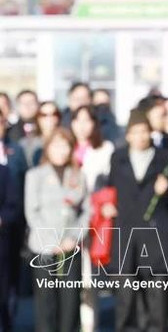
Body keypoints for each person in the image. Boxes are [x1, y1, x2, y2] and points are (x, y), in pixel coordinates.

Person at [107, 111, 168, 332]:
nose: (140, 136)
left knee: (158, 299)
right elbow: (111, 188)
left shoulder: (166, 158)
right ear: (127, 135)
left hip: (156, 234)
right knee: (126, 299)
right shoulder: (118, 157)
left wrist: (165, 191)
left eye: (144, 131)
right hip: (126, 233)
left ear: (151, 132)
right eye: (135, 132)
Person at [24, 127, 90, 331]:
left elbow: (86, 210)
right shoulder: (35, 175)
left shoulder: (78, 175)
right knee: (46, 306)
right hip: (45, 249)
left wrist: (73, 237)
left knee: (70, 305)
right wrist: (51, 241)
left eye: (65, 145)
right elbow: (32, 212)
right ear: (47, 148)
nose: (61, 150)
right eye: (56, 145)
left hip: (69, 247)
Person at [70, 105, 114, 331]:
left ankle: (89, 325)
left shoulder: (105, 149)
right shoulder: (65, 147)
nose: (83, 125)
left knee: (88, 279)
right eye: (78, 120)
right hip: (67, 221)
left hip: (95, 219)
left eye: (88, 120)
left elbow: (108, 185)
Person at [0, 110, 27, 329]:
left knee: (7, 283)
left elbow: (15, 195)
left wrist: (5, 218)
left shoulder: (14, 154)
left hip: (8, 229)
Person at [0, 159, 21, 332]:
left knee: (3, 292)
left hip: (2, 241)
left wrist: (2, 219)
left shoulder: (4, 172)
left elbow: (12, 205)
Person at [31, 101, 63, 167]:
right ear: (38, 118)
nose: (50, 118)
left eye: (54, 114)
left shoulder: (66, 140)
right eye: (44, 115)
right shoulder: (29, 144)